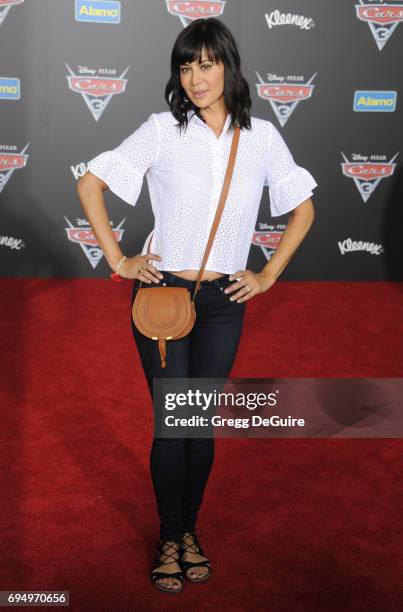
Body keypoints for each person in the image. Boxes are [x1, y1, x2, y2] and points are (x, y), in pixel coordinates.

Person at [76, 17, 317, 594]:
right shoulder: (162, 130)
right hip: (162, 299)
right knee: (171, 425)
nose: (196, 77)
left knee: (199, 426)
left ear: (229, 66)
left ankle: (188, 532)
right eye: (186, 66)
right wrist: (118, 259)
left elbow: (302, 208)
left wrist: (266, 276)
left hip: (223, 303)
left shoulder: (260, 138)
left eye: (206, 63)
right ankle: (170, 536)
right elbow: (91, 184)